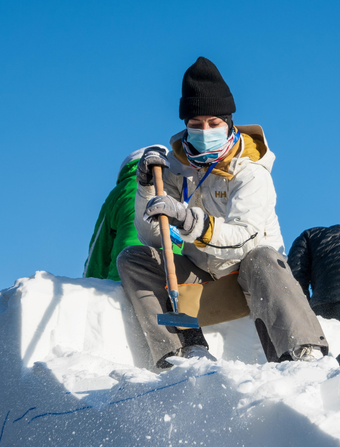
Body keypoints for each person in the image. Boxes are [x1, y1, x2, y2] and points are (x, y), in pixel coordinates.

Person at [117, 57, 329, 369]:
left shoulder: (251, 173)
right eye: (196, 124)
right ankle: (184, 351)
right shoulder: (178, 172)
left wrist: (190, 221)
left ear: (228, 124)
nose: (205, 130)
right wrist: (148, 187)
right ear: (186, 127)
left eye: (214, 123)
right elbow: (153, 236)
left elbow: (244, 239)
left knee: (262, 257)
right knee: (134, 258)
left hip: (255, 283)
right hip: (205, 283)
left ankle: (303, 354)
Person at [84, 146, 181, 281]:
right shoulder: (178, 188)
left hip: (124, 275)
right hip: (176, 276)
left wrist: (89, 282)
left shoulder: (120, 191)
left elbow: (100, 248)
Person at [288, 225, 340, 334]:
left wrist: (303, 311)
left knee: (334, 347)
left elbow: (295, 276)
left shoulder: (309, 235)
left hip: (330, 301)